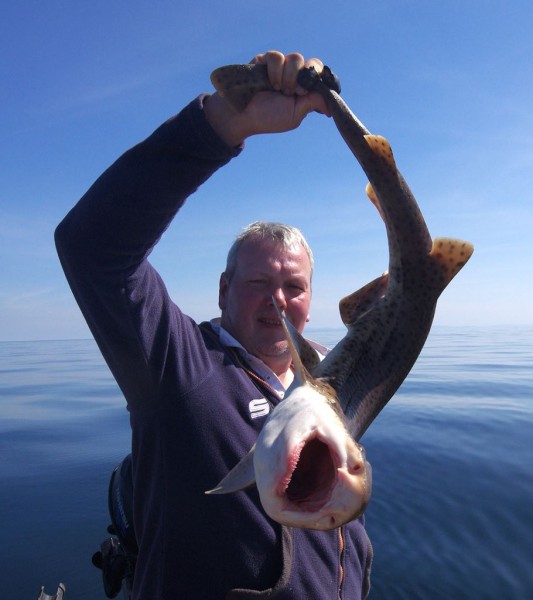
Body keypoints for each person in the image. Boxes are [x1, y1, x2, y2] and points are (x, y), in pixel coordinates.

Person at [55, 50, 373, 599]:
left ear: (311, 298)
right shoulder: (176, 366)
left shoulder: (331, 382)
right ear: (223, 290)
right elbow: (92, 246)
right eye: (257, 284)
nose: (277, 300)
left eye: (294, 288)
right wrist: (226, 123)